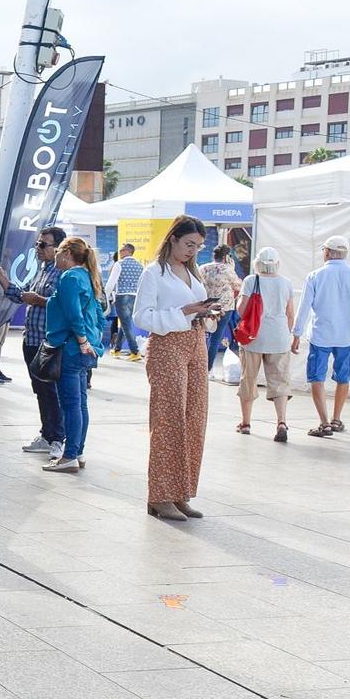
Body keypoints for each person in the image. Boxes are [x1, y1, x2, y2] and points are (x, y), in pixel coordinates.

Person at [133, 216, 218, 520]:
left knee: (195, 418)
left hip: (196, 341)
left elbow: (192, 310)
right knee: (168, 419)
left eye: (197, 246)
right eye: (188, 244)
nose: (192, 251)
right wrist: (183, 311)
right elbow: (141, 316)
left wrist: (205, 312)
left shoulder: (191, 273)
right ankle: (160, 495)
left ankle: (180, 492)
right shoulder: (153, 273)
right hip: (168, 345)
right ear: (173, 239)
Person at [0, 226, 63, 460]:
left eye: (43, 245)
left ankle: (58, 438)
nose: (37, 249)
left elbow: (63, 305)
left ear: (57, 248)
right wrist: (2, 279)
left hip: (49, 342)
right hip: (32, 340)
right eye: (37, 244)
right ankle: (47, 435)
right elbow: (22, 295)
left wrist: (39, 300)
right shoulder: (42, 270)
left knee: (51, 392)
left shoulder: (62, 273)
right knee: (40, 390)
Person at [294, 235, 350, 438]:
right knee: (343, 377)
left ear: (327, 252)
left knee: (316, 378)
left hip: (320, 336)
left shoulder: (314, 276)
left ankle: (324, 422)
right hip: (345, 337)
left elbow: (304, 308)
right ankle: (337, 418)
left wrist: (296, 334)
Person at [41, 236, 106, 474]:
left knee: (70, 404)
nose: (55, 255)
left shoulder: (69, 277)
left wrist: (81, 340)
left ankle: (68, 456)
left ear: (67, 253)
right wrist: (93, 341)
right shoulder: (88, 276)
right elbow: (99, 314)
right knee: (80, 403)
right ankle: (77, 451)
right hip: (85, 349)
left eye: (58, 250)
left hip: (70, 347)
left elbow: (73, 313)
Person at [234, 245, 298, 443]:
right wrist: (287, 334)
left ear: (257, 263)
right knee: (280, 381)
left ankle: (245, 423)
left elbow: (242, 310)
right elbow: (290, 313)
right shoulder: (286, 283)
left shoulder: (251, 281)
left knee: (249, 378)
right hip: (279, 338)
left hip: (254, 337)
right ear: (277, 264)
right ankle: (281, 422)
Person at [200, 243, 242, 373]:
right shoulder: (227, 269)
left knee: (203, 336)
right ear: (226, 256)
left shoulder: (203, 268)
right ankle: (209, 369)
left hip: (206, 305)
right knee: (216, 338)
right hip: (225, 307)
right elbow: (238, 286)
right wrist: (232, 267)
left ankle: (201, 368)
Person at [107, 243, 144, 359]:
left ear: (128, 251)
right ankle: (117, 349)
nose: (120, 252)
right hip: (135, 297)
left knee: (126, 324)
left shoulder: (119, 264)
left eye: (122, 250)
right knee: (125, 323)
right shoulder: (140, 265)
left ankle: (135, 351)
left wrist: (105, 297)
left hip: (122, 296)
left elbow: (111, 283)